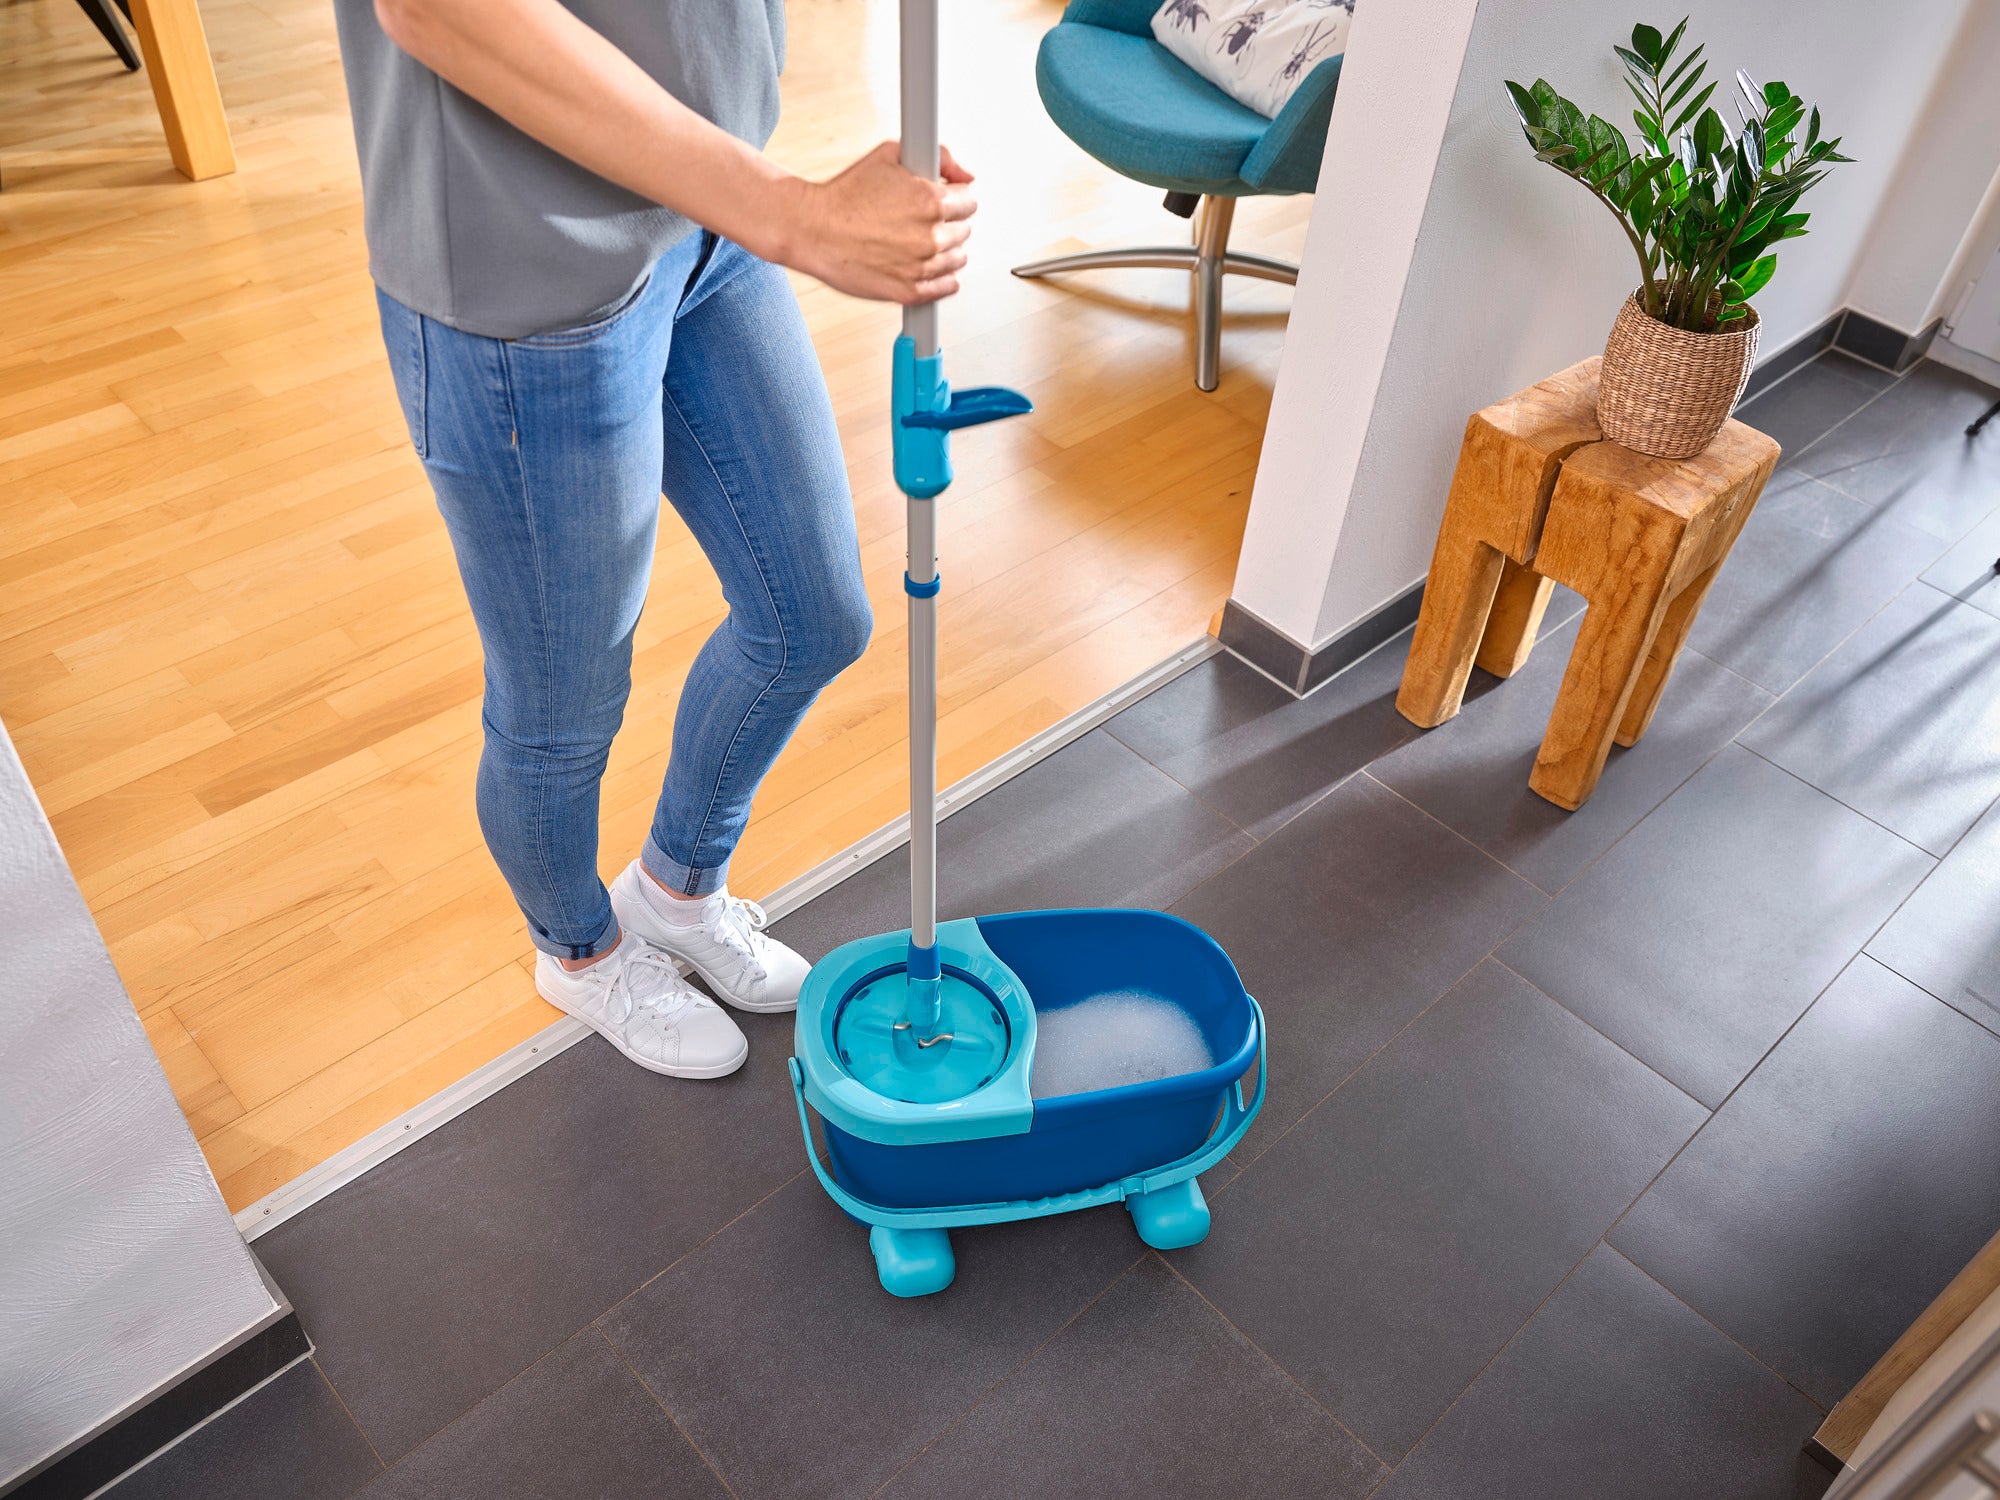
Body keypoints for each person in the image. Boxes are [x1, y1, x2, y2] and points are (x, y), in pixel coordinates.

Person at [331, 0, 975, 1077]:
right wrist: (799, 218)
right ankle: (578, 951)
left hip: (704, 214)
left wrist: (763, 207)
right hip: (528, 272)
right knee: (562, 712)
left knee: (811, 617)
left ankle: (675, 890)